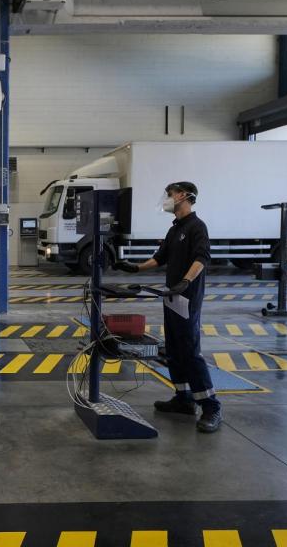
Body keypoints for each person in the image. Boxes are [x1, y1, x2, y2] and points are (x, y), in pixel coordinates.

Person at [113, 181, 222, 433]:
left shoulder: (197, 226)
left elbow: (202, 258)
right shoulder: (175, 230)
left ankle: (211, 406)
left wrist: (186, 281)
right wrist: (134, 268)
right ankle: (184, 399)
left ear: (183, 196)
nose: (167, 199)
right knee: (173, 349)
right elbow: (160, 258)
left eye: (170, 194)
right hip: (172, 296)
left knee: (190, 350)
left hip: (187, 298)